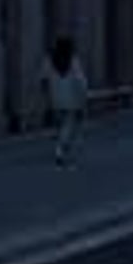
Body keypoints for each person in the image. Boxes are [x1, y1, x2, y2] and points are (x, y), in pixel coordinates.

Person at [41, 32, 88, 165]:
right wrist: (83, 97)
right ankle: (60, 150)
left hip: (55, 97)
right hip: (71, 98)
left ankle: (61, 146)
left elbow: (43, 79)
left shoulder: (49, 59)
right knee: (68, 125)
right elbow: (81, 81)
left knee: (60, 125)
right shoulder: (73, 61)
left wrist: (46, 95)